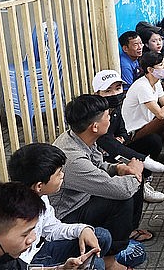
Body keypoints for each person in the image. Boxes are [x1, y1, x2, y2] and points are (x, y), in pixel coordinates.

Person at [50, 95, 147, 266]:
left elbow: (98, 164)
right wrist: (136, 172)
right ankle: (110, 260)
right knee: (123, 196)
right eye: (107, 116)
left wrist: (118, 168)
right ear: (95, 126)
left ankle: (125, 235)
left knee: (131, 182)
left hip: (84, 199)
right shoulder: (73, 159)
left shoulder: (79, 136)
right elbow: (120, 190)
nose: (110, 119)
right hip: (66, 215)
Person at [7, 143, 112, 270]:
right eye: (58, 173)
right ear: (39, 186)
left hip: (40, 250)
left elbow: (51, 228)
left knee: (101, 236)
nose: (62, 175)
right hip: (27, 264)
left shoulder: (40, 196)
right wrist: (60, 267)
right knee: (97, 265)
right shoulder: (14, 212)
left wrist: (82, 229)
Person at [92, 70, 164, 204]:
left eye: (118, 88)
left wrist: (122, 138)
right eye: (108, 91)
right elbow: (104, 140)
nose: (115, 94)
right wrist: (144, 160)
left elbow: (123, 130)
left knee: (153, 141)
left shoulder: (116, 109)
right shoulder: (95, 114)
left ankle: (143, 181)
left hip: (117, 147)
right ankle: (134, 183)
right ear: (97, 94)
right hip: (100, 157)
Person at [121, 52, 164, 163]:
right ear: (150, 70)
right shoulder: (142, 86)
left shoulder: (156, 82)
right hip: (134, 133)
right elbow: (160, 114)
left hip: (148, 124)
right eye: (161, 65)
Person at [0, 182, 45, 270]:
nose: (33, 238)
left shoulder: (5, 255)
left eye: (32, 230)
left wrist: (59, 268)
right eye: (25, 234)